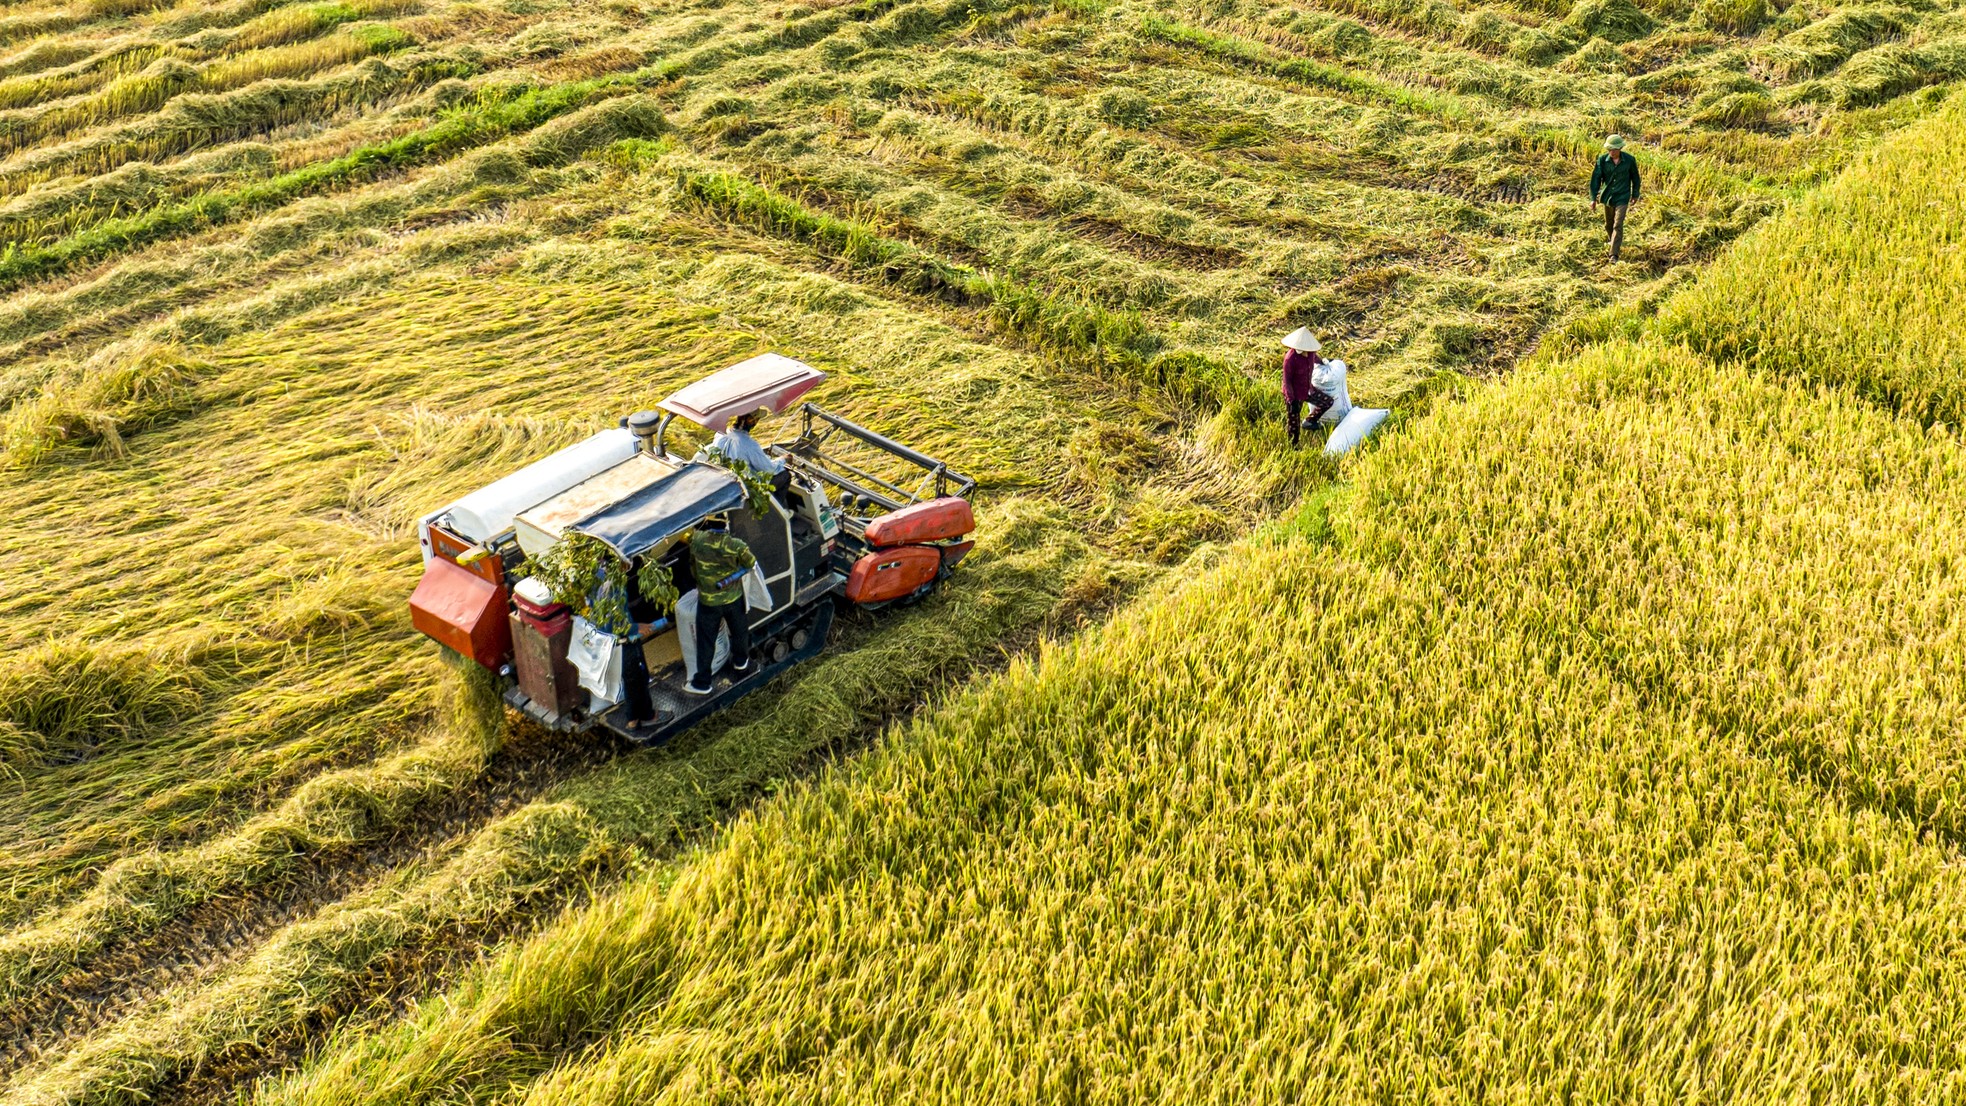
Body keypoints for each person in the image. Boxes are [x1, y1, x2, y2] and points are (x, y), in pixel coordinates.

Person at [683, 513, 756, 696]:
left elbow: (692, 566)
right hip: (733, 599)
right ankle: (740, 664)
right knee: (739, 632)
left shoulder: (697, 540)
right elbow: (750, 563)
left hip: (708, 601)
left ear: (708, 522)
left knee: (706, 642)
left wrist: (701, 582)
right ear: (726, 525)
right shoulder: (735, 545)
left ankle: (702, 683)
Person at [1590, 134, 1641, 262]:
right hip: (1608, 196)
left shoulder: (1629, 160)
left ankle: (1614, 254)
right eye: (1609, 150)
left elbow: (1635, 178)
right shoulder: (1602, 161)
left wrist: (1635, 194)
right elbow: (1595, 179)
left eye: (1614, 149)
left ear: (1620, 148)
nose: (1611, 152)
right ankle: (1611, 239)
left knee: (1618, 224)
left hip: (1622, 197)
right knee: (1609, 224)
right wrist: (1593, 198)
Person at [1280, 327, 1334, 448]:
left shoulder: (1310, 353)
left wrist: (1324, 362)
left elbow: (1315, 358)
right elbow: (1286, 381)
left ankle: (1310, 421)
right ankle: (1293, 446)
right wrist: (1291, 400)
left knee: (1327, 402)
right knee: (1294, 422)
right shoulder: (1290, 359)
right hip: (1294, 394)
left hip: (1308, 389)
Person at [711, 408, 784, 476]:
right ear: (751, 420)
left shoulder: (720, 434)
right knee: (785, 476)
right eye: (757, 419)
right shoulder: (750, 445)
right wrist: (782, 460)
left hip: (722, 476)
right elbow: (769, 469)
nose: (757, 422)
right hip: (743, 484)